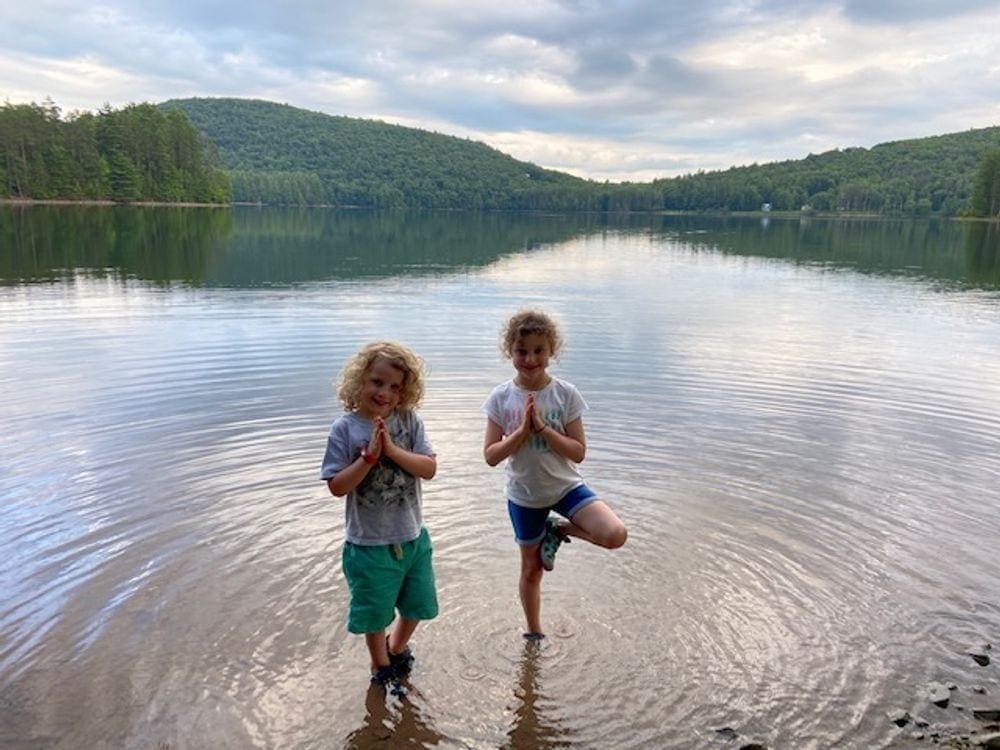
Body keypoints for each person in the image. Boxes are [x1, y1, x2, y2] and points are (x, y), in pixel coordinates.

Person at [482, 309, 627, 639]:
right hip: (525, 496)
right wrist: (519, 434)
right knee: (532, 571)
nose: (530, 359)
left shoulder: (566, 394)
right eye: (522, 351)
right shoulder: (501, 398)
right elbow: (490, 456)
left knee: (614, 534)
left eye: (538, 350)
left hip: (565, 488)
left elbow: (578, 452)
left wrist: (544, 429)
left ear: (552, 351)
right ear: (510, 352)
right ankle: (534, 634)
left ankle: (559, 528)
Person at [320, 341, 438, 694]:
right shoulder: (345, 429)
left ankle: (397, 647)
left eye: (394, 386)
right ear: (358, 381)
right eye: (376, 382)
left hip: (413, 537)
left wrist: (391, 450)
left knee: (420, 604)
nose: (384, 392)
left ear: (405, 392)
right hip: (369, 544)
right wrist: (368, 459)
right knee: (374, 612)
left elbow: (429, 467)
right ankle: (380, 666)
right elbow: (337, 486)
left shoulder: (409, 421)